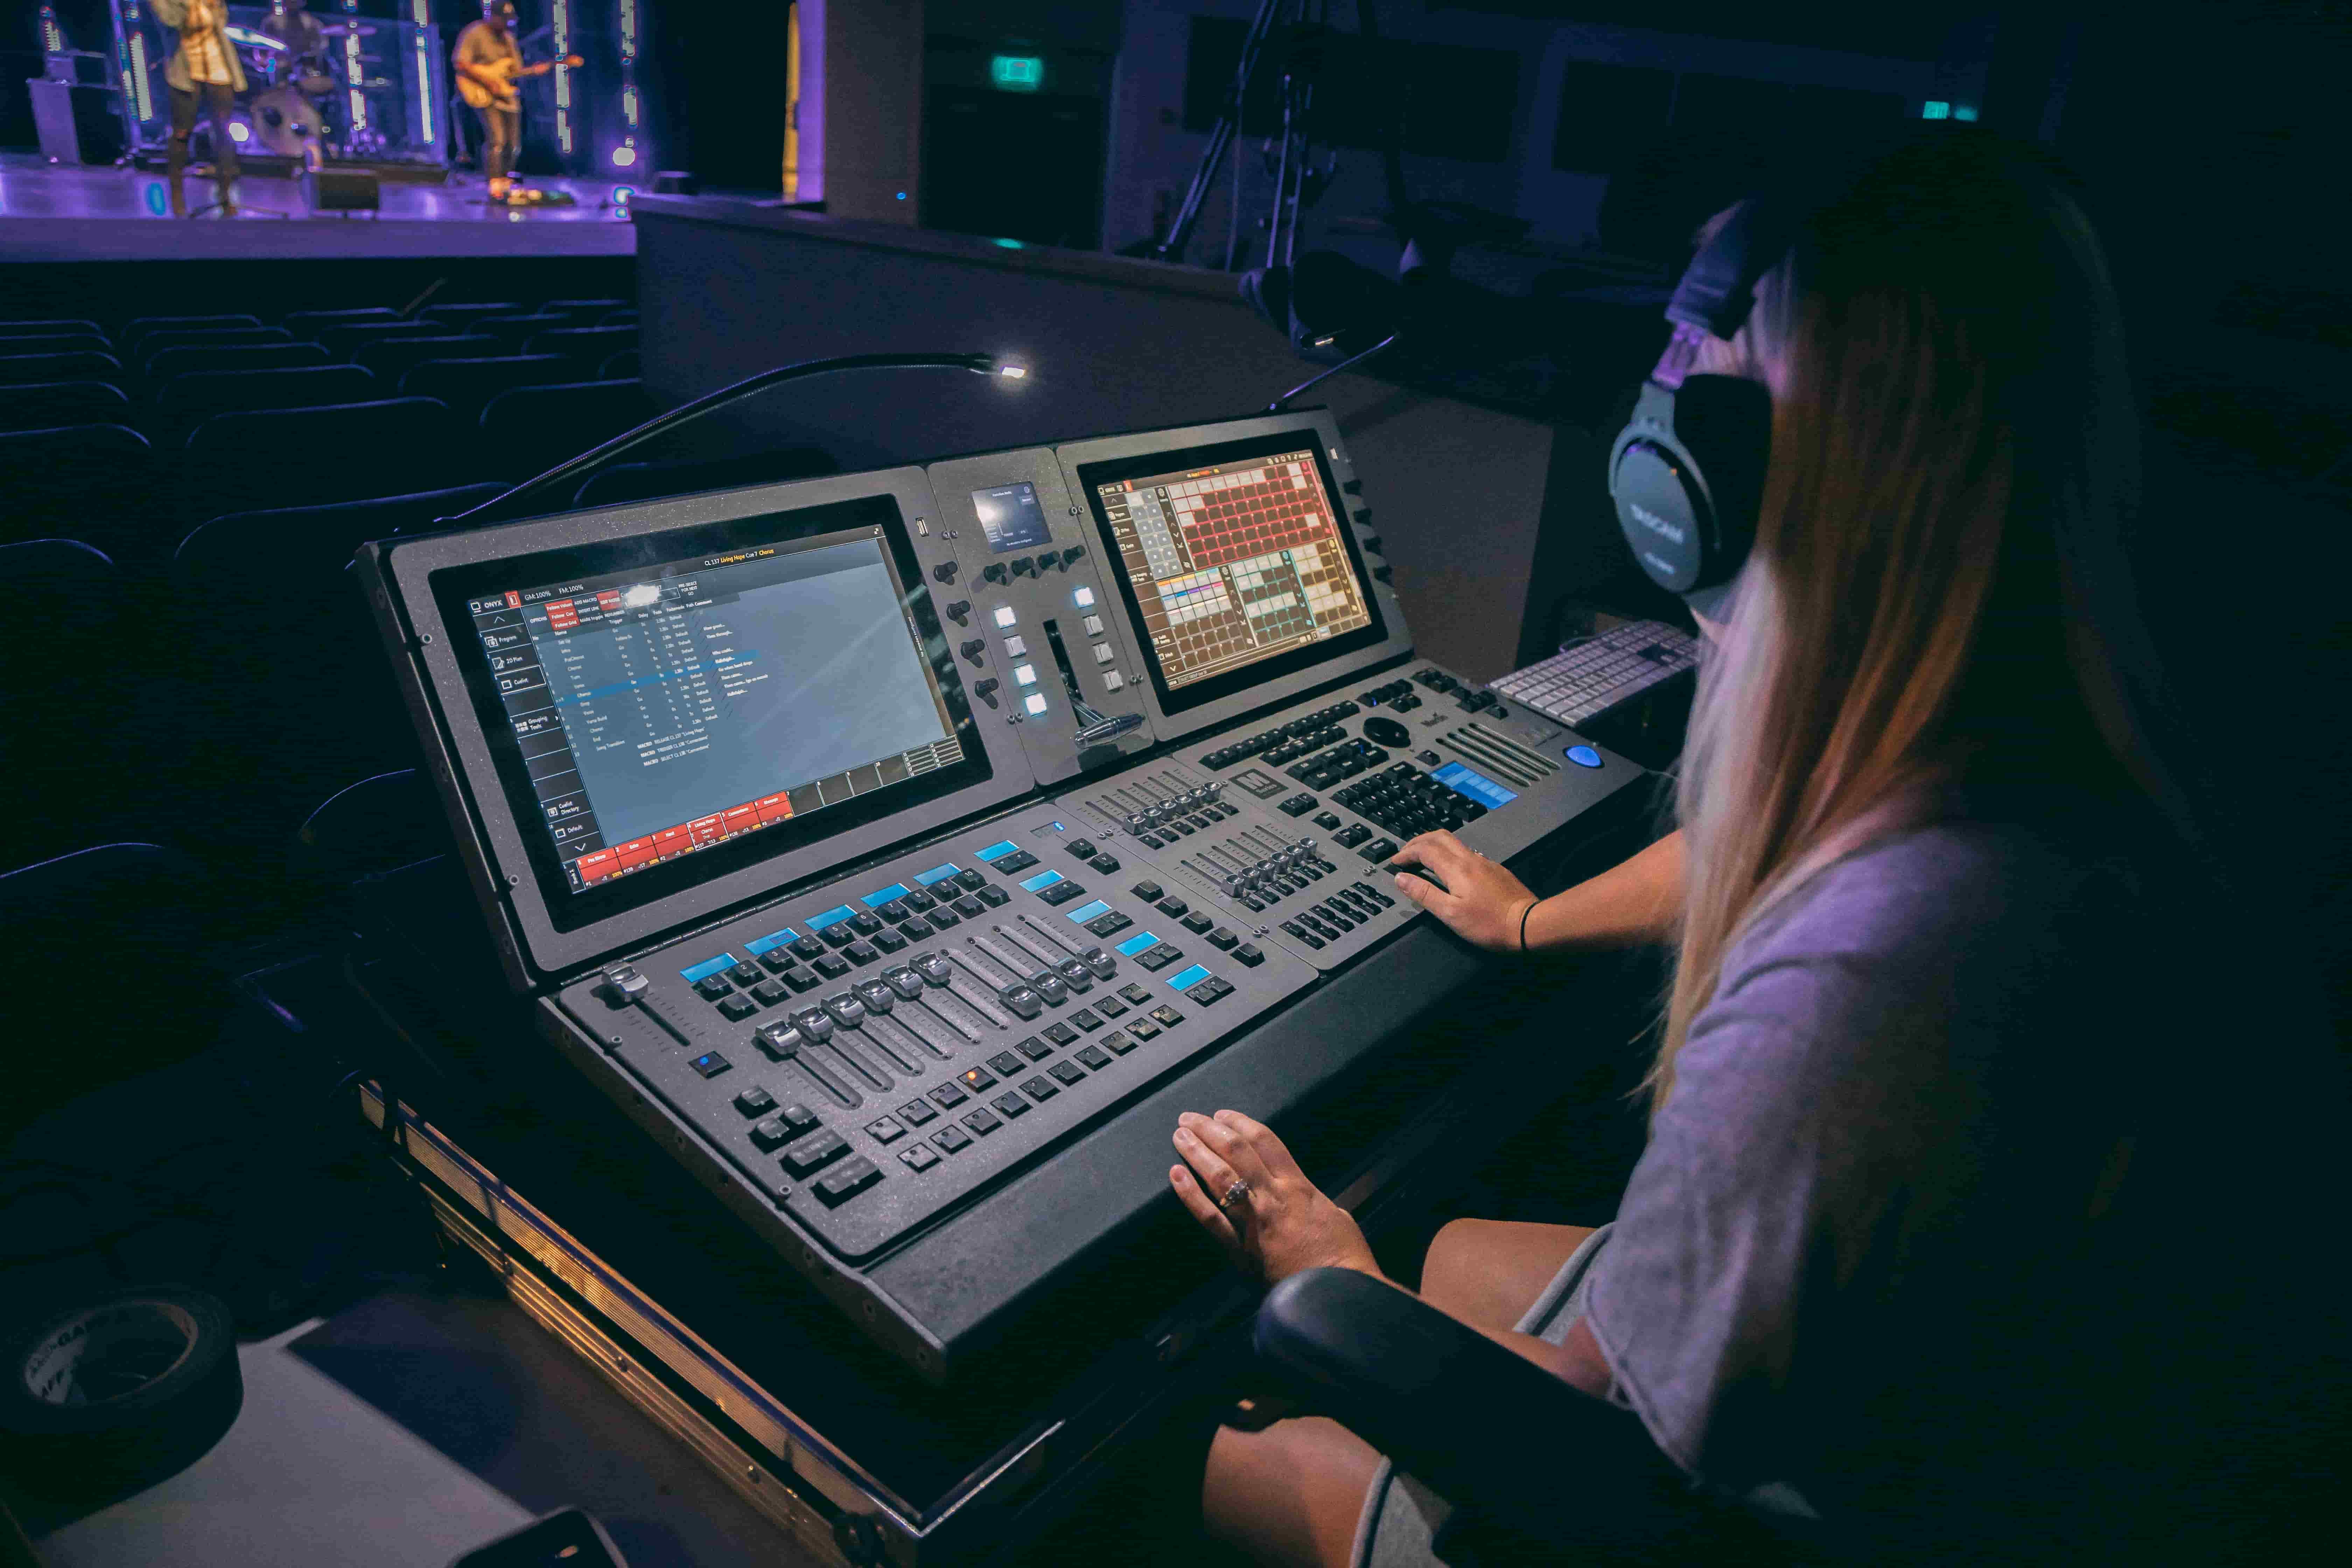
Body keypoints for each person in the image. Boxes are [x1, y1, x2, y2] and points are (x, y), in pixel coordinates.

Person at [1168, 133, 2343, 1566]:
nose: (1651, 401)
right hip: (1981, 1417)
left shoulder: (1870, 979)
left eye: (1689, 356)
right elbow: (1761, 844)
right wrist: (1531, 921)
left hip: (1757, 1517)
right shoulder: (2032, 737)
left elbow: (1593, 1457)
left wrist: (1325, 1272)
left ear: (1726, 472)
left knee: (1242, 1436)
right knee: (1463, 1245)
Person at [150, 0, 243, 218]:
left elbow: (222, 20)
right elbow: (171, 21)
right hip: (185, 67)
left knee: (224, 132)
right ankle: (177, 198)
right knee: (182, 133)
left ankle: (226, 196)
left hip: (219, 66)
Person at [451, 0, 527, 205]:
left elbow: (517, 70)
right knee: (498, 140)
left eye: (509, 21)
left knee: (514, 145)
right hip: (483, 93)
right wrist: (488, 80)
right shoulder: (475, 33)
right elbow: (460, 62)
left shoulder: (509, 40)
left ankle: (506, 181)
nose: (506, 24)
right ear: (492, 17)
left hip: (506, 94)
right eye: (503, 19)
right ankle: (494, 184)